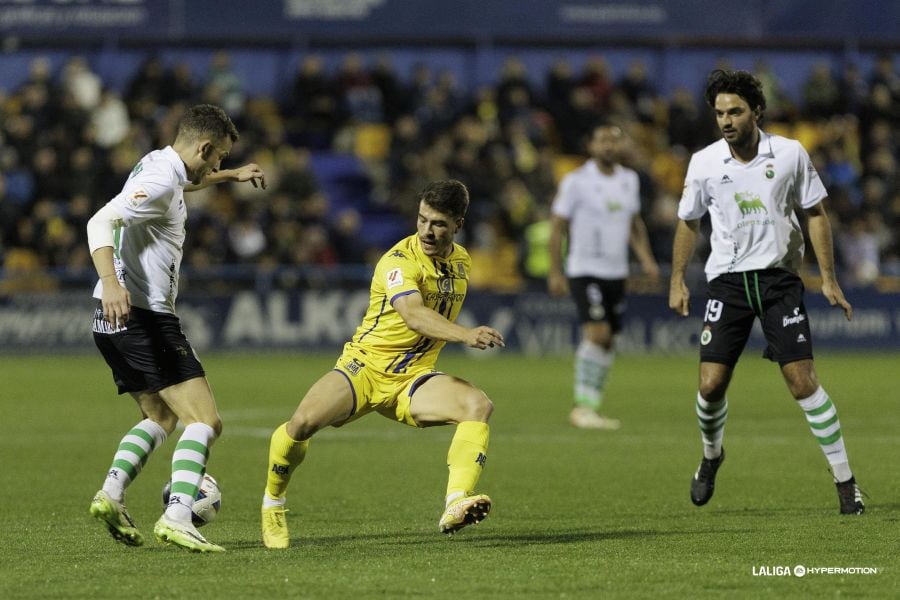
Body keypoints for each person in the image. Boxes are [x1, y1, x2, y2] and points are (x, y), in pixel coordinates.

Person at [261, 179, 504, 549]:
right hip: (365, 368)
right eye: (422, 219)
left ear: (458, 224)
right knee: (301, 424)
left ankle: (456, 501)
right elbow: (412, 314)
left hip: (413, 378)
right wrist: (465, 334)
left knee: (478, 405)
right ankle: (273, 504)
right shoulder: (398, 261)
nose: (426, 230)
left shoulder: (462, 262)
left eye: (438, 223)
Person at [668, 69, 864, 514]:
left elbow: (815, 214)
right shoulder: (704, 162)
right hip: (728, 282)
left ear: (755, 111)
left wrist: (829, 278)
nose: (726, 120)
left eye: (735, 111)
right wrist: (677, 279)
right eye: (720, 113)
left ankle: (845, 481)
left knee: (802, 382)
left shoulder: (790, 153)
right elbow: (688, 222)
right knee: (710, 385)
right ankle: (712, 455)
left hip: (779, 280)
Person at [87, 104, 266, 552]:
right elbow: (99, 221)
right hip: (143, 315)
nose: (217, 164)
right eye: (219, 156)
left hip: (111, 321)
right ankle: (179, 515)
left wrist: (231, 176)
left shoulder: (158, 164)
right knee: (205, 420)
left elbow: (186, 183)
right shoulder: (162, 179)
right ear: (203, 147)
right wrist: (111, 282)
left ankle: (111, 493)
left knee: (160, 417)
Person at [548, 124, 659, 430]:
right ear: (591, 145)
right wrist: (555, 271)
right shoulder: (576, 181)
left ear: (621, 146)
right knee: (597, 334)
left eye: (614, 141)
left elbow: (634, 224)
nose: (608, 146)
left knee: (608, 341)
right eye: (602, 140)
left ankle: (590, 405)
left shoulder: (629, 180)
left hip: (616, 271)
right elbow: (557, 227)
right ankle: (581, 407)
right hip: (584, 269)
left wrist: (647, 260)